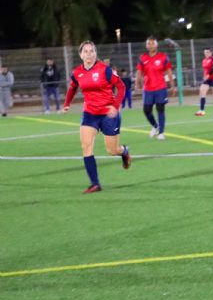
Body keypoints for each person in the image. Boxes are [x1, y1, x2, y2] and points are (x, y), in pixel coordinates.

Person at [63, 41, 132, 193]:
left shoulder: (105, 70)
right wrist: (67, 103)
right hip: (90, 114)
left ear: (95, 54)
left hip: (108, 113)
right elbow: (72, 87)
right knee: (86, 147)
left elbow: (121, 86)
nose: (89, 54)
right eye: (86, 51)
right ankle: (95, 184)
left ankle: (124, 151)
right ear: (80, 55)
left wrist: (116, 106)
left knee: (112, 150)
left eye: (92, 51)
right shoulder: (77, 73)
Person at [135, 36, 176, 140]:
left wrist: (172, 85)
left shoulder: (163, 57)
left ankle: (161, 132)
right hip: (148, 89)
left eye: (153, 43)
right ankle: (155, 126)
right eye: (149, 43)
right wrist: (137, 84)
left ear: (156, 45)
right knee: (146, 110)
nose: (151, 45)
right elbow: (139, 72)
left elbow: (169, 72)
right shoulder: (142, 57)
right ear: (146, 45)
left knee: (160, 110)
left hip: (160, 88)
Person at [195, 47, 213, 116]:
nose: (206, 54)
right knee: (202, 91)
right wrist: (204, 76)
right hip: (207, 79)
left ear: (211, 52)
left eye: (207, 52)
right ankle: (202, 110)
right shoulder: (204, 60)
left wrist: (208, 75)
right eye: (205, 52)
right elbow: (205, 70)